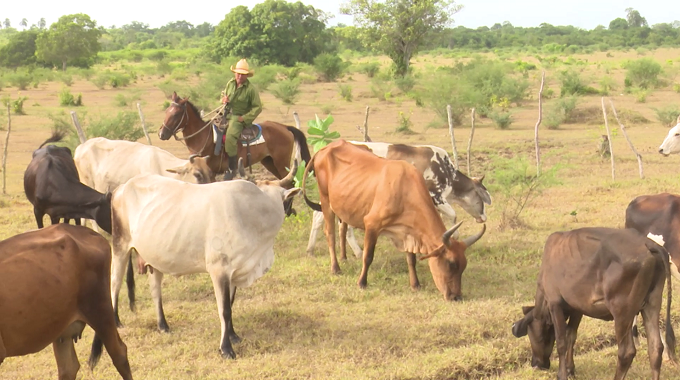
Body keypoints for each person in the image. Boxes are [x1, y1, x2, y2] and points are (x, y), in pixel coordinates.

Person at [221, 58, 262, 180]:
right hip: (226, 113)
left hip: (238, 118)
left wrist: (244, 118)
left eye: (243, 74)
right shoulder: (230, 83)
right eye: (238, 73)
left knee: (230, 137)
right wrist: (223, 99)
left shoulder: (251, 89)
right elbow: (223, 94)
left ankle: (232, 169)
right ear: (235, 73)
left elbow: (257, 107)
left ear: (247, 75)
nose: (240, 76)